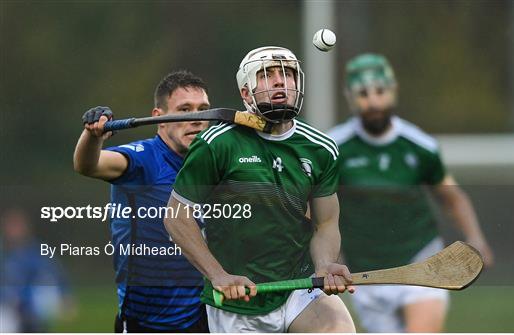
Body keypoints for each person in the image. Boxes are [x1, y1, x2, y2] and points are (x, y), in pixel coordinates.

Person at [163, 46, 356, 332]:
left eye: (288, 74)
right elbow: (176, 217)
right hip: (237, 300)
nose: (280, 81)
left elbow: (325, 223)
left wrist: (325, 264)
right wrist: (218, 276)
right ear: (245, 93)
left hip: (299, 289)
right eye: (268, 75)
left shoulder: (320, 148)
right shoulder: (217, 144)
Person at [328, 53, 495, 333]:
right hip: (368, 273)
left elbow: (451, 197)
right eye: (363, 94)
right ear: (350, 97)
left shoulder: (419, 145)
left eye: (380, 91)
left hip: (421, 262)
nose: (373, 102)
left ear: (393, 91)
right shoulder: (333, 148)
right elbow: (316, 208)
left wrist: (475, 237)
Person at [73, 70, 211, 332]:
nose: (196, 119)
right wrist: (93, 136)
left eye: (202, 109)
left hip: (203, 317)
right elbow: (87, 165)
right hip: (146, 322)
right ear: (158, 118)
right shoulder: (143, 160)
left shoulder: (213, 161)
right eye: (184, 110)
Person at [1, 208, 75, 332]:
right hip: (6, 306)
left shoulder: (38, 252)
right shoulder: (4, 253)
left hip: (31, 306)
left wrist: (66, 297)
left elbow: (56, 276)